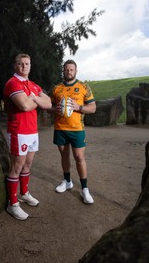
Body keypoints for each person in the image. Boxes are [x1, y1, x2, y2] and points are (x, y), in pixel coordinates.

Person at [3, 53, 51, 220]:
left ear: (30, 65)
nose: (24, 66)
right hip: (19, 131)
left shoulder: (33, 85)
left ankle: (24, 193)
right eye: (20, 64)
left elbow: (49, 103)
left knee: (28, 164)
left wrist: (33, 98)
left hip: (32, 131)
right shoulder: (12, 83)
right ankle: (13, 204)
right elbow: (23, 106)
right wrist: (36, 99)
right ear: (15, 66)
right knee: (17, 166)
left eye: (27, 63)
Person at [49, 59, 96, 204]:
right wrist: (53, 109)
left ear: (76, 71)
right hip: (60, 128)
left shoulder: (83, 87)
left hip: (77, 129)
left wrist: (79, 107)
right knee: (64, 156)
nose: (68, 72)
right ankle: (67, 181)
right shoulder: (56, 88)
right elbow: (49, 106)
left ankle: (85, 189)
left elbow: (93, 108)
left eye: (71, 69)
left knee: (79, 157)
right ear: (63, 71)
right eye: (66, 69)